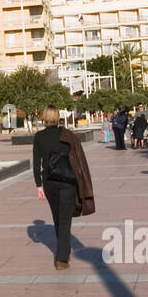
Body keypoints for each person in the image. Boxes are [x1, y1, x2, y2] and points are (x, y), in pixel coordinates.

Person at [32, 104, 97, 270]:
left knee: (57, 218)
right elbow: (76, 158)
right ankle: (61, 258)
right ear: (57, 117)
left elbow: (37, 163)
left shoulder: (39, 137)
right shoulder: (66, 135)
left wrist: (39, 185)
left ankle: (63, 252)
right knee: (64, 219)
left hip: (49, 182)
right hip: (68, 181)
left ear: (45, 117)